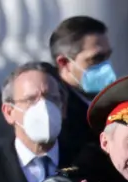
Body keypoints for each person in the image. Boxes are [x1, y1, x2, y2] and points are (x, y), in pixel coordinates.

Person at [49, 16, 115, 160]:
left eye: (107, 57)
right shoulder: (57, 114)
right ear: (64, 62)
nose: (105, 66)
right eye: (96, 59)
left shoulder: (113, 103)